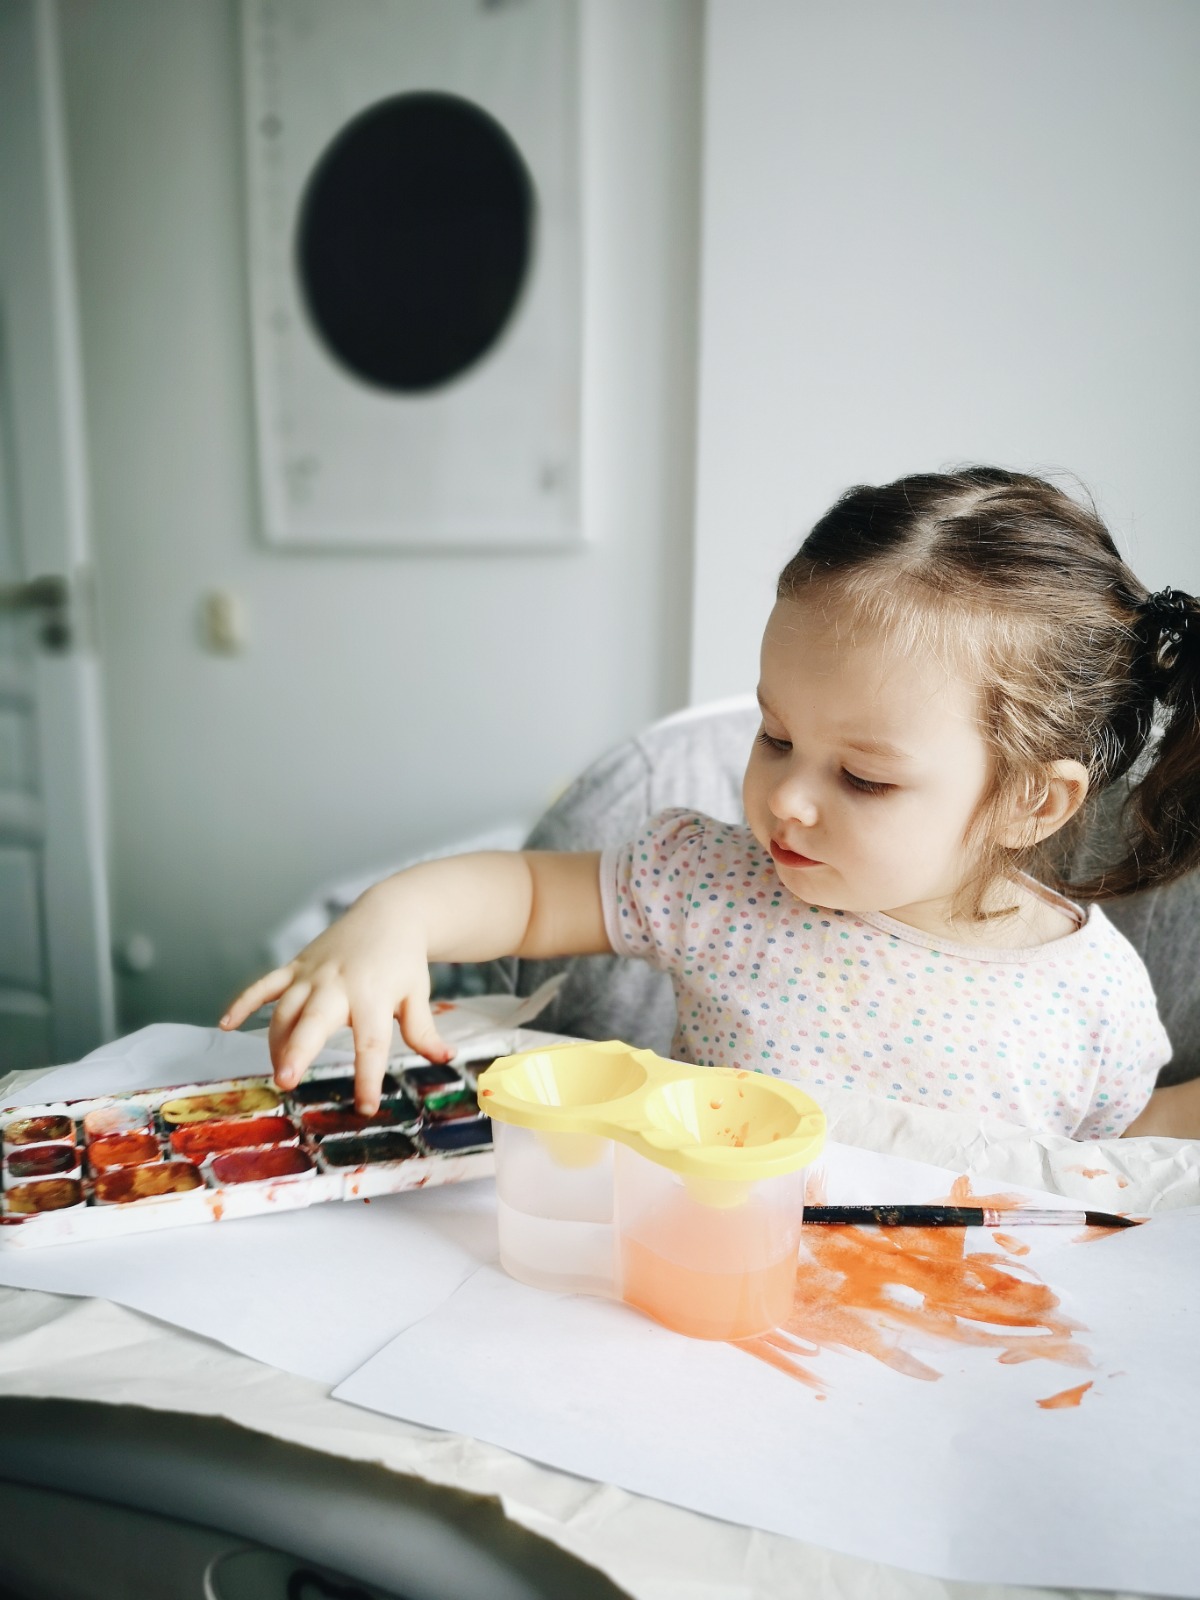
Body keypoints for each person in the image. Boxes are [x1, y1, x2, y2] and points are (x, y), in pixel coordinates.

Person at [222, 468, 1200, 1140]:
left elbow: (1122, 1158)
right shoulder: (717, 882)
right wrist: (395, 916)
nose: (788, 800)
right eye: (775, 736)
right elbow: (525, 893)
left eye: (863, 777)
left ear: (1032, 801)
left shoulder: (1091, 998)